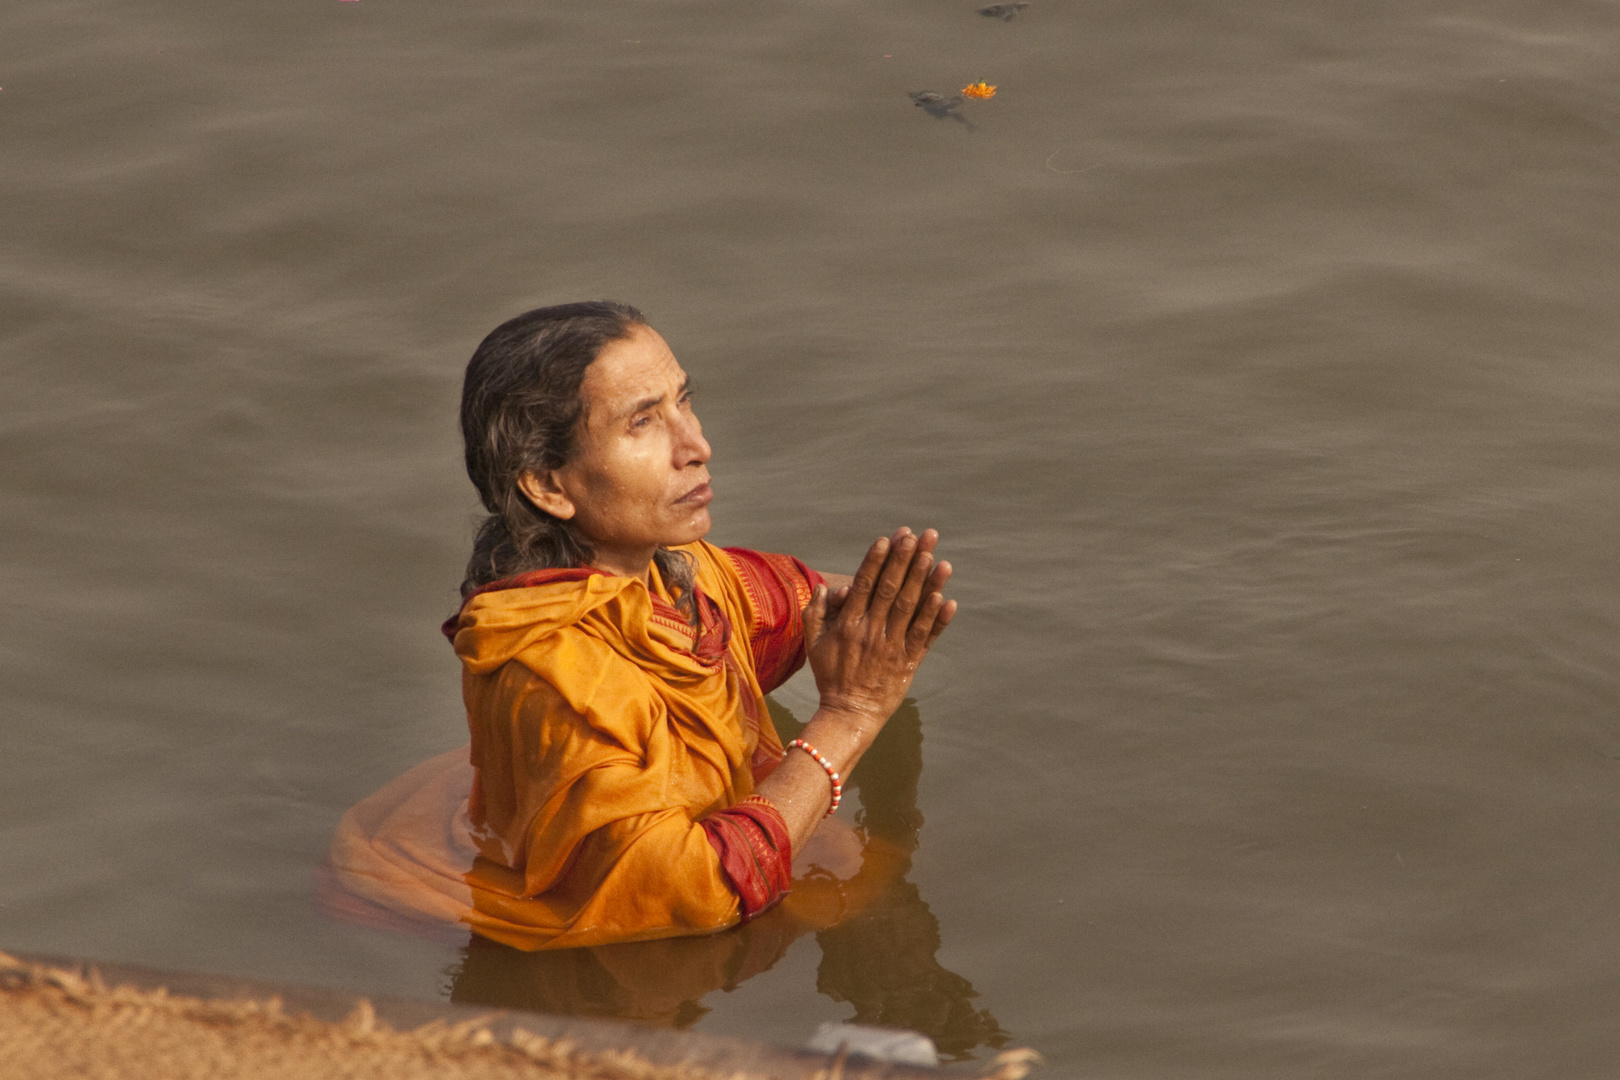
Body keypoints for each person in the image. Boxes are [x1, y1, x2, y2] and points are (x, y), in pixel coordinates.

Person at [325, 300, 955, 951]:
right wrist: (849, 715)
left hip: (679, 864)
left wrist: (877, 616)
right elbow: (697, 892)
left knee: (895, 878)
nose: (697, 446)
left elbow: (772, 607)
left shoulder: (666, 571)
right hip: (608, 945)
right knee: (872, 894)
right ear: (548, 486)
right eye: (644, 422)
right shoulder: (552, 679)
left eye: (684, 402)